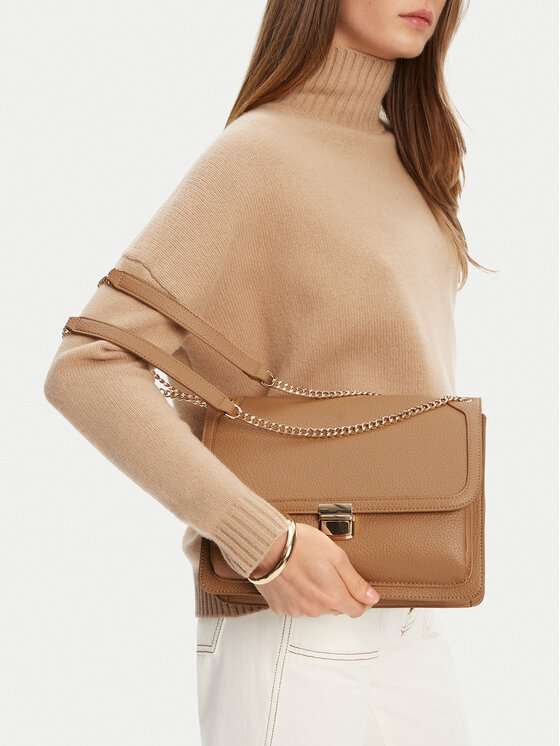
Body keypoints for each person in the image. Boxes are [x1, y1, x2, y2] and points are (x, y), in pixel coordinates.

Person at [44, 0, 490, 743]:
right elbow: (87, 366)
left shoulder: (414, 163)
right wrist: (263, 543)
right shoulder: (258, 154)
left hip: (411, 615)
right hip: (289, 621)